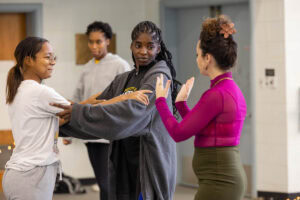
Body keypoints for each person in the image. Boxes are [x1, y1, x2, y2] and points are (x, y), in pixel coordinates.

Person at [52, 21, 180, 200]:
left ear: (158, 49)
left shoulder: (159, 78)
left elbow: (131, 113)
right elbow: (96, 104)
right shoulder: (123, 80)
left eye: (150, 46)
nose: (143, 51)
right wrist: (58, 126)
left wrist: (77, 112)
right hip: (124, 162)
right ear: (131, 46)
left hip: (148, 164)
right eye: (138, 45)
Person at [155, 15, 247, 200]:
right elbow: (203, 129)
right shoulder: (227, 89)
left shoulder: (217, 94)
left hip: (220, 182)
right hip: (222, 180)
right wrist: (180, 105)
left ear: (208, 58)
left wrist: (160, 101)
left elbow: (179, 133)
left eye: (197, 55)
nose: (197, 59)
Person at [63, 21, 131, 200]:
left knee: (110, 183)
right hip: (90, 135)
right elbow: (77, 99)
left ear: (108, 41)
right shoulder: (87, 68)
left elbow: (128, 98)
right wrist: (69, 132)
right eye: (91, 42)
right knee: (103, 183)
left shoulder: (120, 65)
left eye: (98, 42)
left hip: (112, 135)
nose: (94, 46)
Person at [2, 37, 70, 200]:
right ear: (28, 60)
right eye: (47, 57)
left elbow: (53, 120)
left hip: (19, 176)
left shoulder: (19, 89)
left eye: (54, 57)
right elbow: (77, 111)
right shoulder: (39, 92)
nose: (53, 62)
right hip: (31, 177)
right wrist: (119, 100)